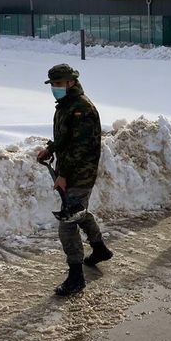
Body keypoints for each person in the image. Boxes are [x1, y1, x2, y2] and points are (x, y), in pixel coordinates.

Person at [37, 63, 112, 296]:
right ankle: (99, 248)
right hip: (71, 169)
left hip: (80, 172)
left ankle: (76, 277)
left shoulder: (82, 108)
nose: (55, 88)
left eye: (59, 84)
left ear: (71, 82)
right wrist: (51, 149)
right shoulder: (66, 105)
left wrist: (63, 175)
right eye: (53, 85)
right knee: (78, 212)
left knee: (67, 224)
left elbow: (79, 148)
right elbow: (65, 137)